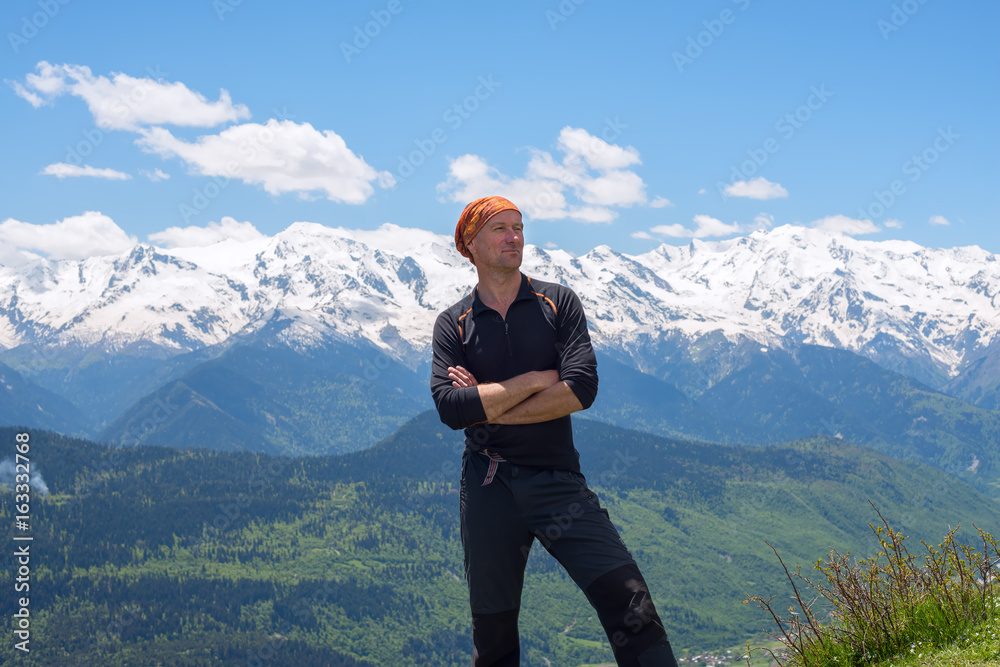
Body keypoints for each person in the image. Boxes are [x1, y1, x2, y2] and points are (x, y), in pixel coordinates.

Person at [430, 196, 680, 667]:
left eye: (519, 227)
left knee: (632, 608)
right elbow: (449, 407)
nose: (514, 237)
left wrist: (485, 404)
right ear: (469, 243)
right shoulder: (454, 324)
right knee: (494, 638)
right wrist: (535, 380)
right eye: (500, 228)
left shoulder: (557, 302)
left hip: (556, 479)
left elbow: (581, 389)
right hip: (487, 487)